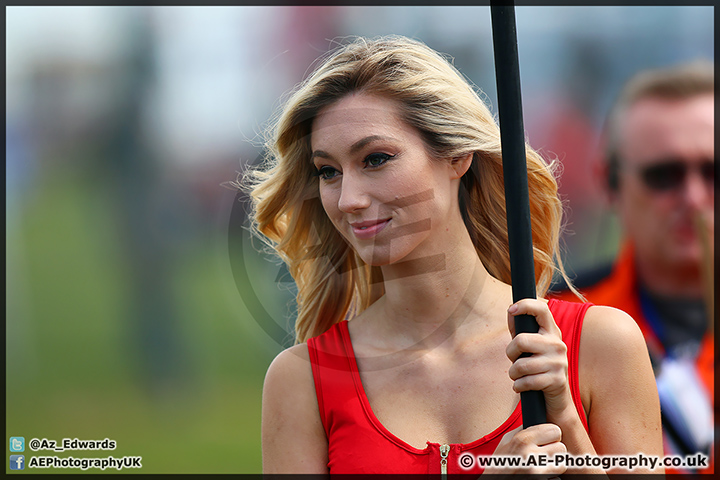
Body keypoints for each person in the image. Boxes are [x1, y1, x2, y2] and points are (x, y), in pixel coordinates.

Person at [244, 35, 662, 475]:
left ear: (457, 155)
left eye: (375, 159)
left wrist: (568, 422)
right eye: (328, 171)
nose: (347, 198)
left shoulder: (599, 344)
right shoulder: (301, 382)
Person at [553, 61, 715, 473]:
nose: (694, 198)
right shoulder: (557, 324)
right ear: (609, 183)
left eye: (713, 172)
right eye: (664, 175)